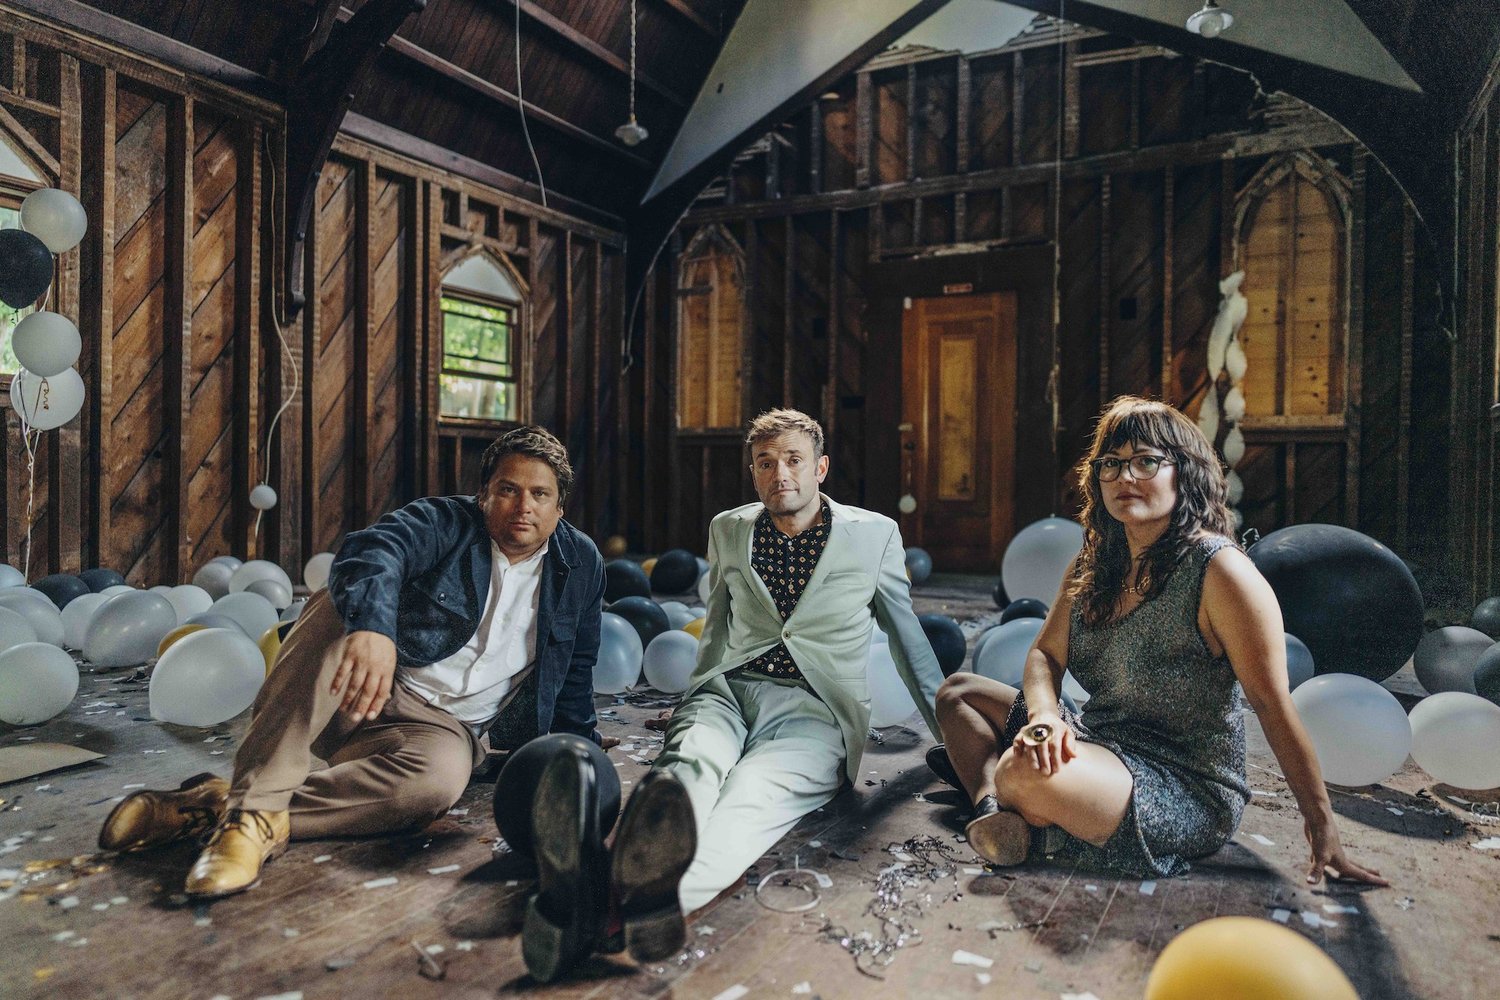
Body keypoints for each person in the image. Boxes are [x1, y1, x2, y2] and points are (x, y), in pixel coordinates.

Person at [97, 425, 609, 899]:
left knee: (436, 785)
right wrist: (373, 628)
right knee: (343, 601)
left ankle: (221, 806)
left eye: (540, 494)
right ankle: (252, 814)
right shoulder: (445, 522)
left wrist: (584, 764)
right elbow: (375, 549)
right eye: (508, 489)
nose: (524, 506)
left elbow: (575, 672)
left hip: (445, 731)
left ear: (560, 507)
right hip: (364, 691)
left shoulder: (581, 565)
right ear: (484, 496)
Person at [933, 396, 1387, 886]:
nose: (1125, 477)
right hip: (1096, 737)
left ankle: (1014, 798)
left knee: (1023, 769)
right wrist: (1045, 715)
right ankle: (996, 811)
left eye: (1146, 461)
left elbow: (1273, 705)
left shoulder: (1220, 571)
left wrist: (1322, 826)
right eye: (1112, 464)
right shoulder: (1094, 562)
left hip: (1180, 782)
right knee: (958, 693)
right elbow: (1045, 655)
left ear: (1184, 473)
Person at [658, 408, 945, 911]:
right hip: (729, 691)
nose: (779, 474)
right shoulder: (728, 529)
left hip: (816, 708)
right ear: (753, 472)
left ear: (821, 468)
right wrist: (698, 694)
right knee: (687, 769)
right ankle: (620, 875)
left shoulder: (873, 535)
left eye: (793, 460)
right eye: (765, 463)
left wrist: (955, 740)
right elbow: (717, 624)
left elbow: (908, 641)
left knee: (752, 795)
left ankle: (659, 902)